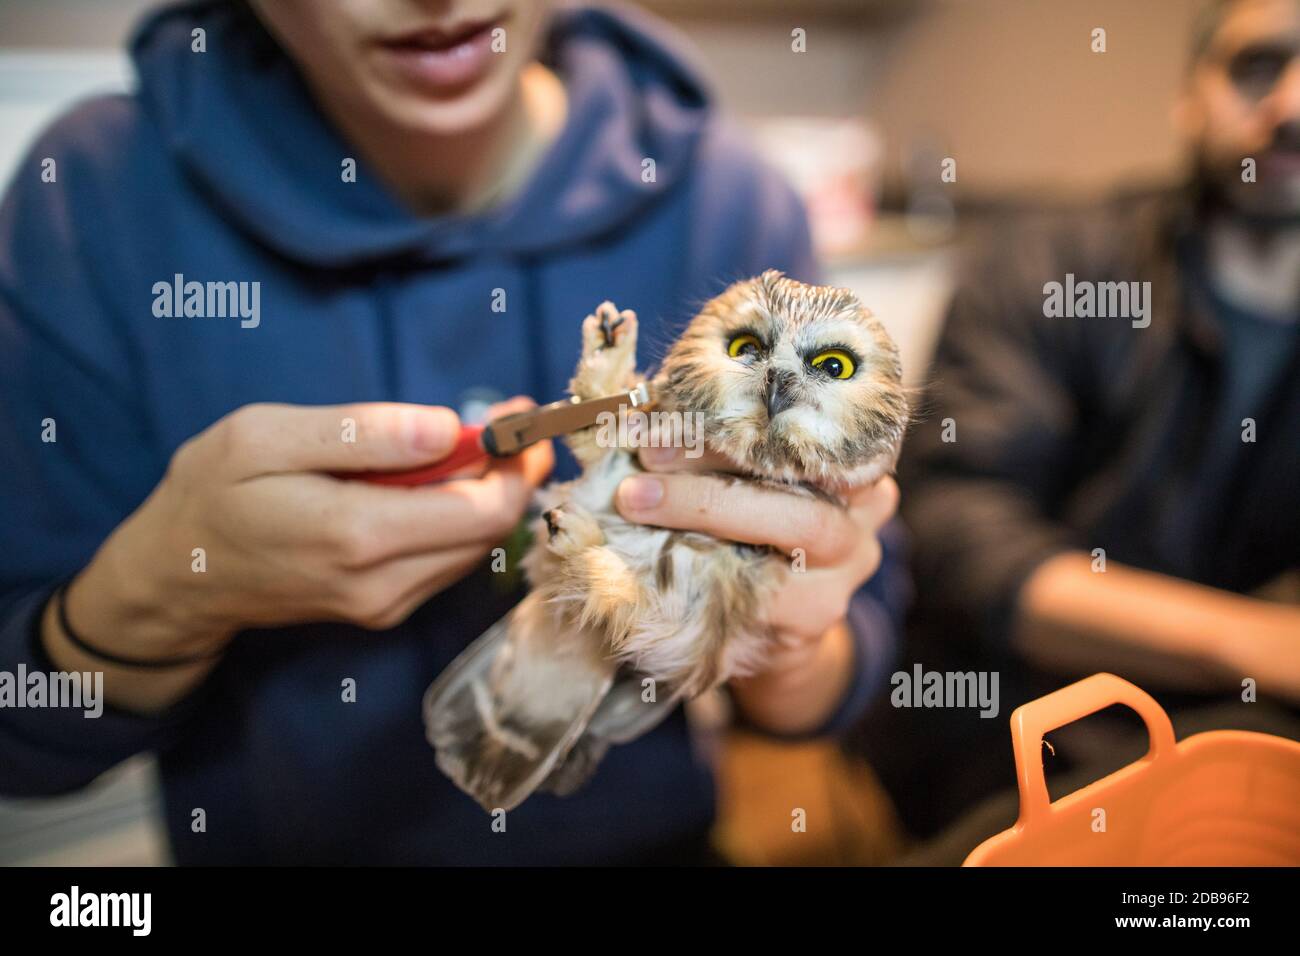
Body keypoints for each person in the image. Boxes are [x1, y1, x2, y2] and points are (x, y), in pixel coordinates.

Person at [0, 0, 904, 865]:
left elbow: (850, 654)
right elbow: (25, 738)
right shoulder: (96, 196)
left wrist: (785, 639)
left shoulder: (731, 195)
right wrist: (173, 587)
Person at [851, 0, 1300, 846]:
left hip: (1252, 739)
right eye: (1255, 66)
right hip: (1016, 719)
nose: (1291, 105)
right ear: (1187, 95)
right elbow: (956, 530)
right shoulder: (1049, 263)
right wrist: (1253, 643)